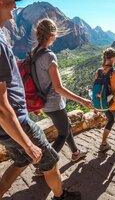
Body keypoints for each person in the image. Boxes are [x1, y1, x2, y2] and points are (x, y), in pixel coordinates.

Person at [0, 0, 81, 200]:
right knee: (50, 160)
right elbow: (0, 104)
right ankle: (61, 196)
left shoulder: (30, 51)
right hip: (17, 122)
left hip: (9, 124)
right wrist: (27, 142)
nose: (15, 5)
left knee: (21, 160)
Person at [32, 19, 92, 175]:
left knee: (66, 127)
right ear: (52, 34)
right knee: (63, 134)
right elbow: (58, 88)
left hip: (43, 102)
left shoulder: (35, 53)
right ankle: (44, 166)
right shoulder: (49, 56)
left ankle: (75, 152)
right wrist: (82, 100)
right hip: (54, 104)